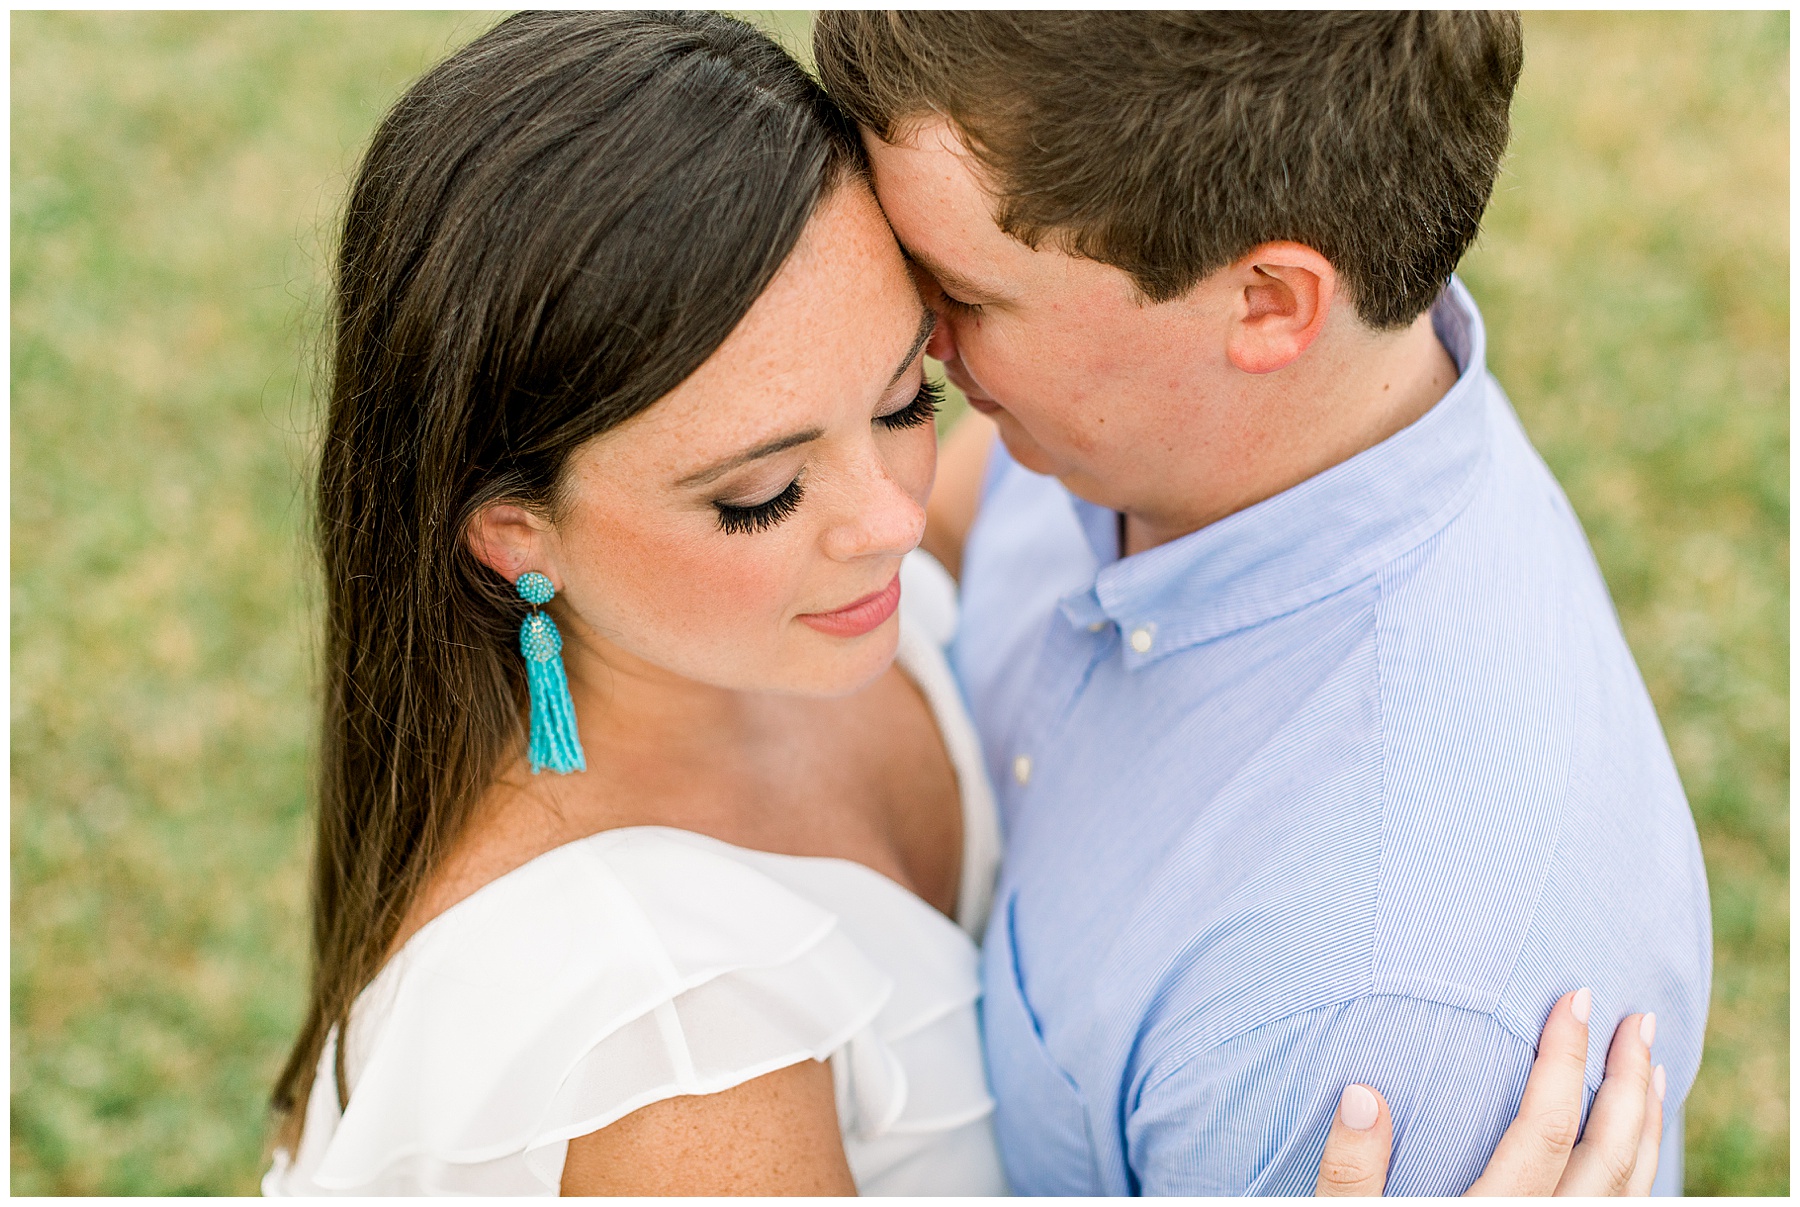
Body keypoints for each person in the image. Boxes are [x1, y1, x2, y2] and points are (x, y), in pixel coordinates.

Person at [264, 12, 1665, 1196]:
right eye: (760, 492)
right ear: (517, 537)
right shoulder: (676, 1059)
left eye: (905, 398)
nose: (890, 519)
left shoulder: (820, 585)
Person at [813, 10, 1713, 1197]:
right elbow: (945, 526)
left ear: (1270, 304)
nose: (916, 335)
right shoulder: (1164, 416)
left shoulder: (1364, 1034)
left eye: (964, 292)